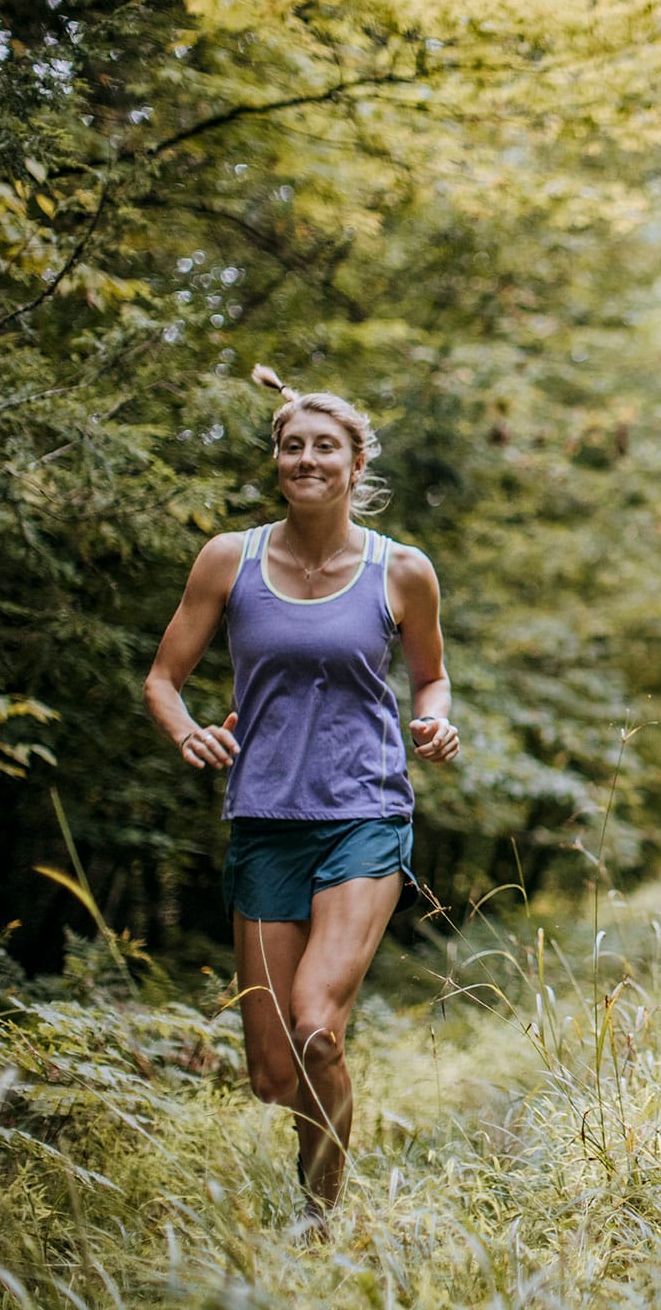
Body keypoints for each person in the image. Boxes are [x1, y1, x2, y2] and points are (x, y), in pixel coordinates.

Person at [143, 364, 460, 1230]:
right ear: (277, 461)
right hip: (262, 820)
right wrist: (186, 732)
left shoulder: (402, 571)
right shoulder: (229, 560)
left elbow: (431, 680)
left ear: (359, 466)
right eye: (293, 447)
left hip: (364, 811)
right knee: (273, 1074)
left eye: (326, 447)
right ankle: (312, 1187)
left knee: (319, 1023)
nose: (307, 460)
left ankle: (317, 1222)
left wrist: (435, 723)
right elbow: (164, 680)